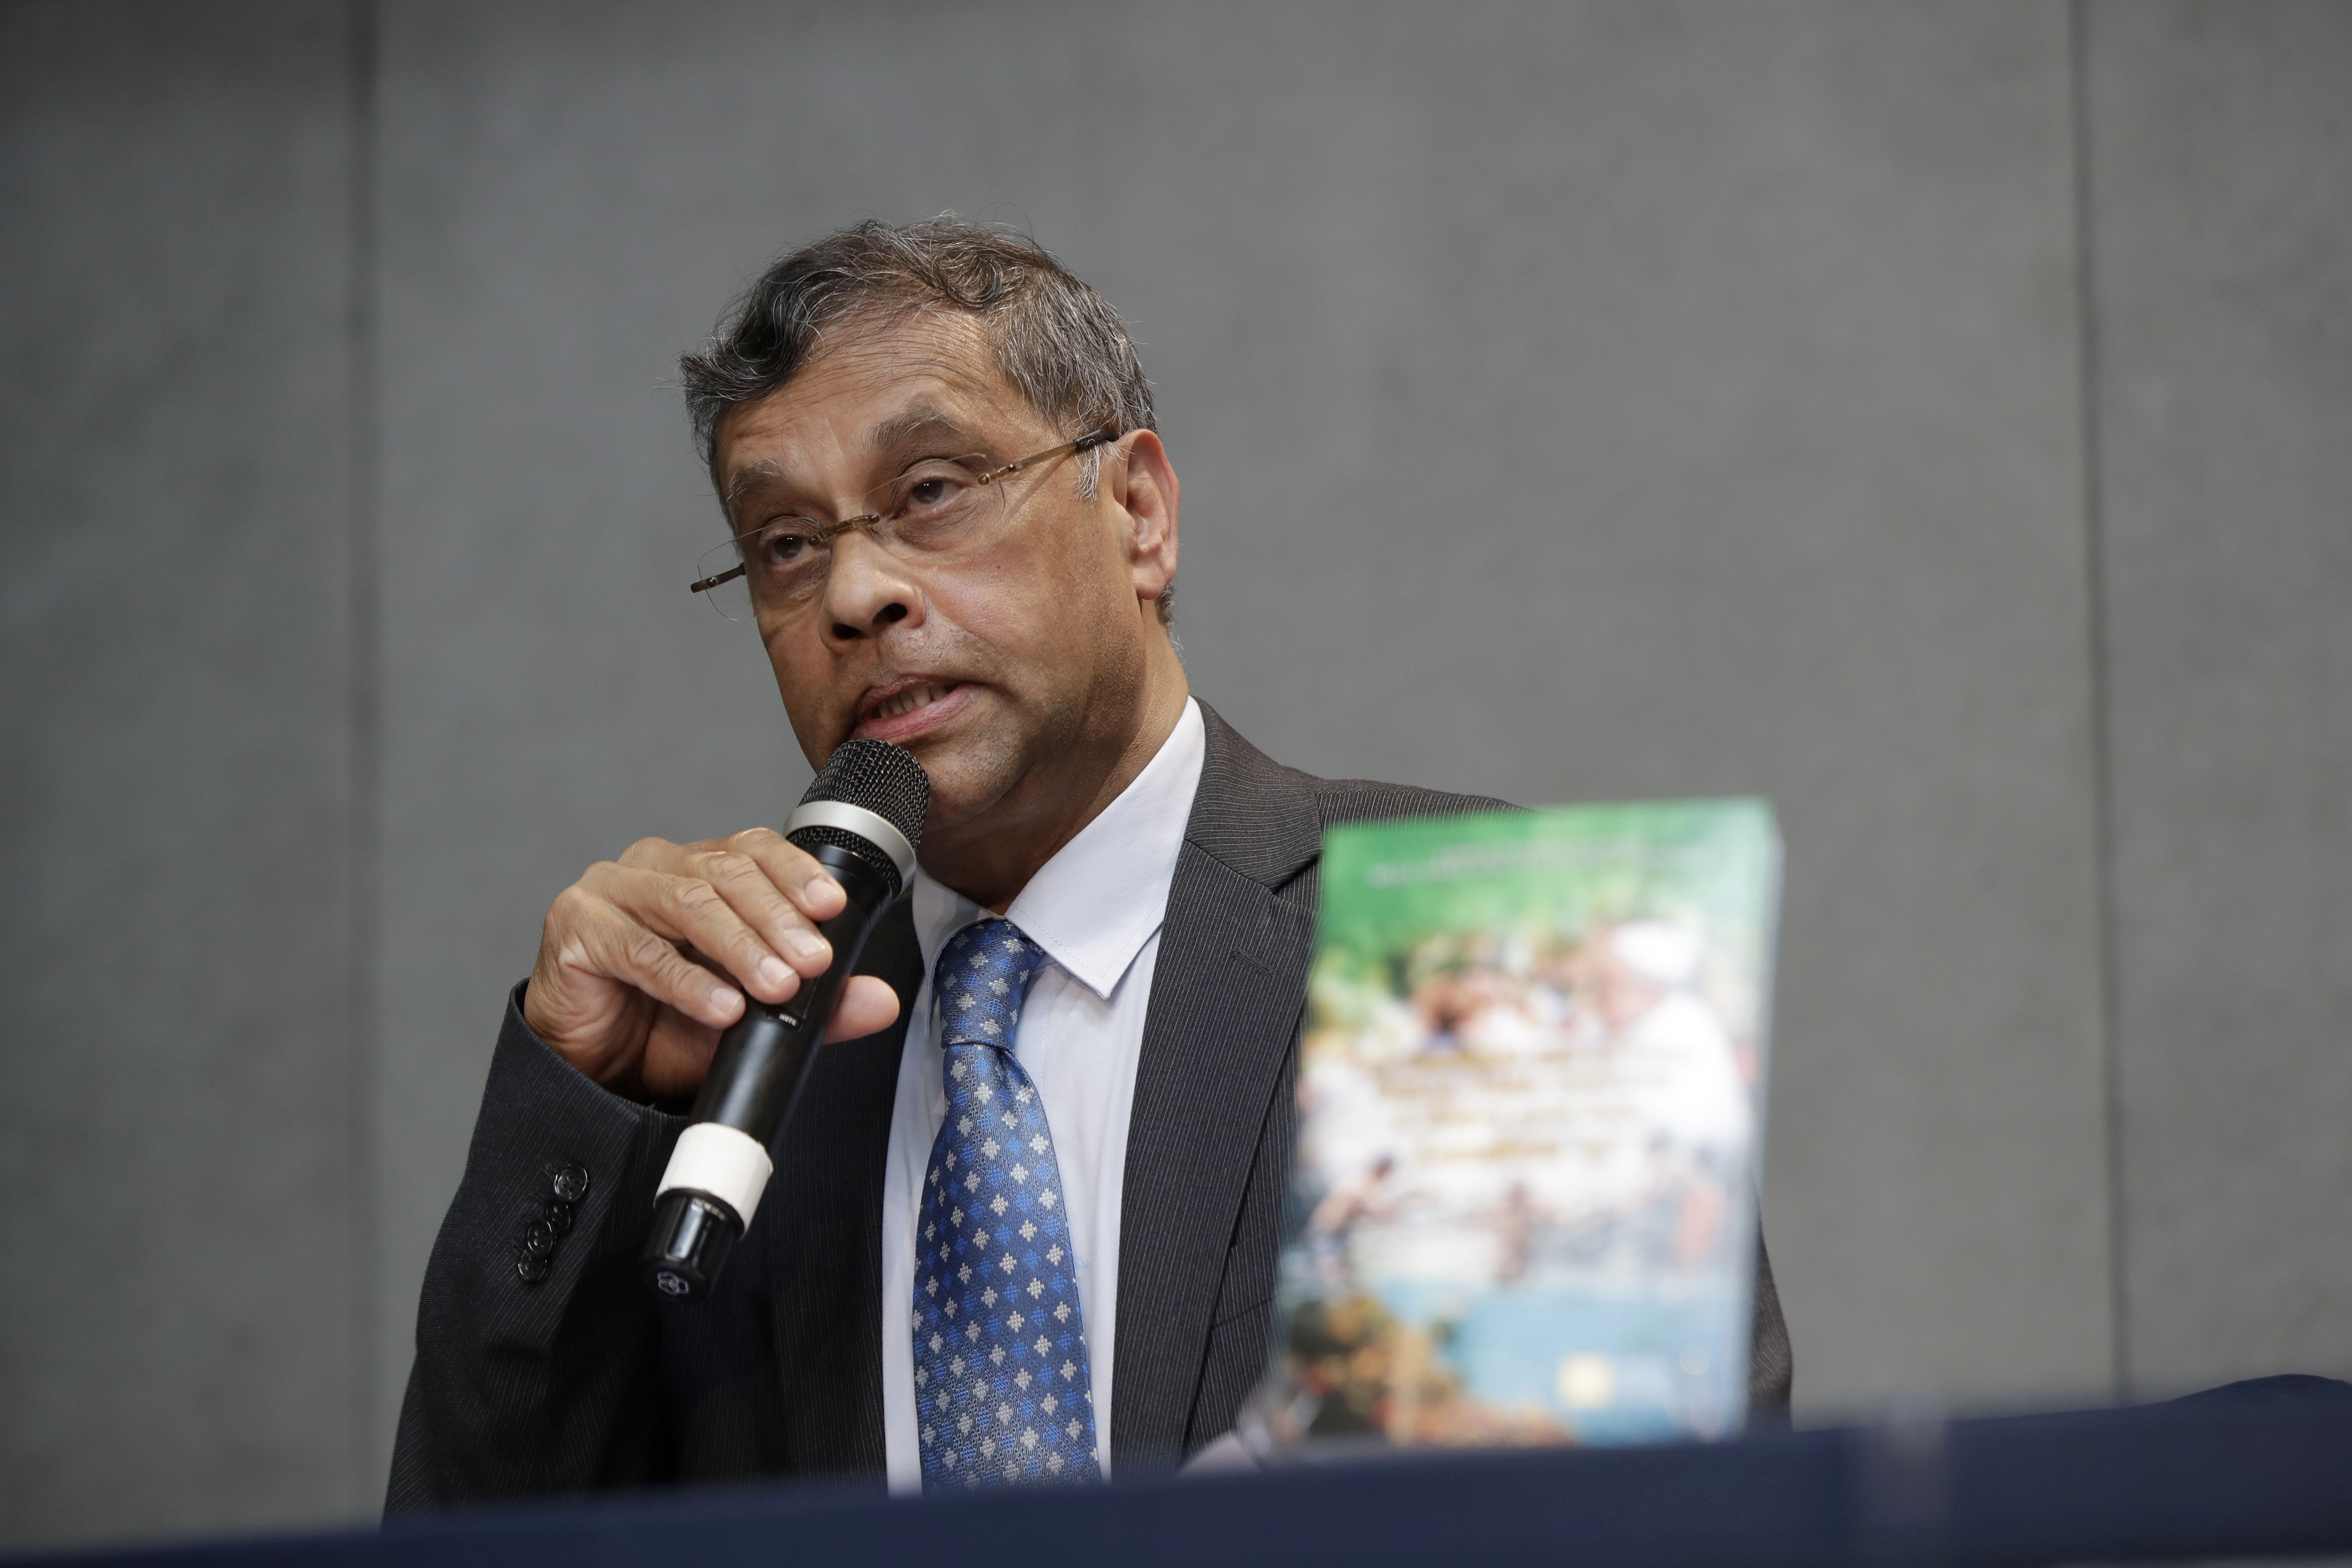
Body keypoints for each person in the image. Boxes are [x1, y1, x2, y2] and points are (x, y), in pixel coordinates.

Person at [386, 217, 1792, 1508]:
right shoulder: (743, 1063)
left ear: (1139, 513)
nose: (856, 594)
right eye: (785, 545)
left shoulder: (1481, 933)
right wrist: (580, 1107)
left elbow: (1646, 1516)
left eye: (931, 489)